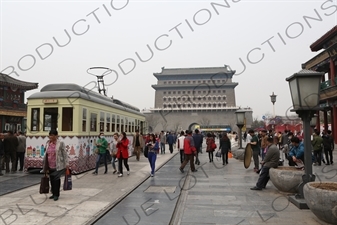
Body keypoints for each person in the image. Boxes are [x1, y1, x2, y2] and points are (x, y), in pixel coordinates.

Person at [42, 130, 69, 201]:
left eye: (52, 135)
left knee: (56, 179)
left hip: (58, 164)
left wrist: (67, 163)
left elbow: (64, 153)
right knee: (51, 179)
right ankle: (53, 193)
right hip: (49, 164)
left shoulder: (60, 143)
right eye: (50, 135)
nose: (51, 137)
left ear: (56, 136)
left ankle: (56, 194)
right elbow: (46, 152)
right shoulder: (48, 143)